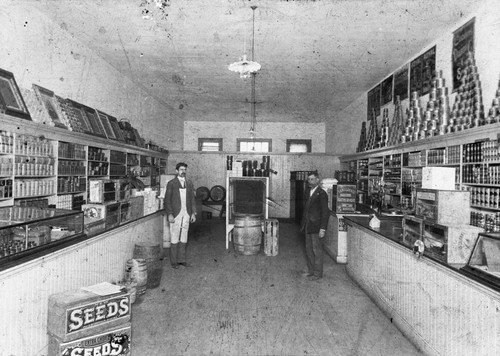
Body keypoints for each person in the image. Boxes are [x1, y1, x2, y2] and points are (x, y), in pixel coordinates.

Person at [165, 162, 197, 269]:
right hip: (176, 214)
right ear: (176, 171)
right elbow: (167, 201)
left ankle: (182, 260)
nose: (183, 171)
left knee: (184, 236)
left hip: (186, 214)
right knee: (174, 237)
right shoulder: (171, 183)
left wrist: (193, 213)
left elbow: (192, 199)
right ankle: (174, 262)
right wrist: (170, 214)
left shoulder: (189, 183)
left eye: (185, 169)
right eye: (181, 169)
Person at [300, 170, 329, 281]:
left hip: (317, 226)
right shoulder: (308, 192)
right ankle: (312, 271)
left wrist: (323, 228)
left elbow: (325, 212)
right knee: (308, 249)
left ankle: (317, 274)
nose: (310, 181)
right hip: (308, 225)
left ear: (317, 180)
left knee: (317, 250)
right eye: (308, 179)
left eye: (312, 179)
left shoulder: (322, 194)